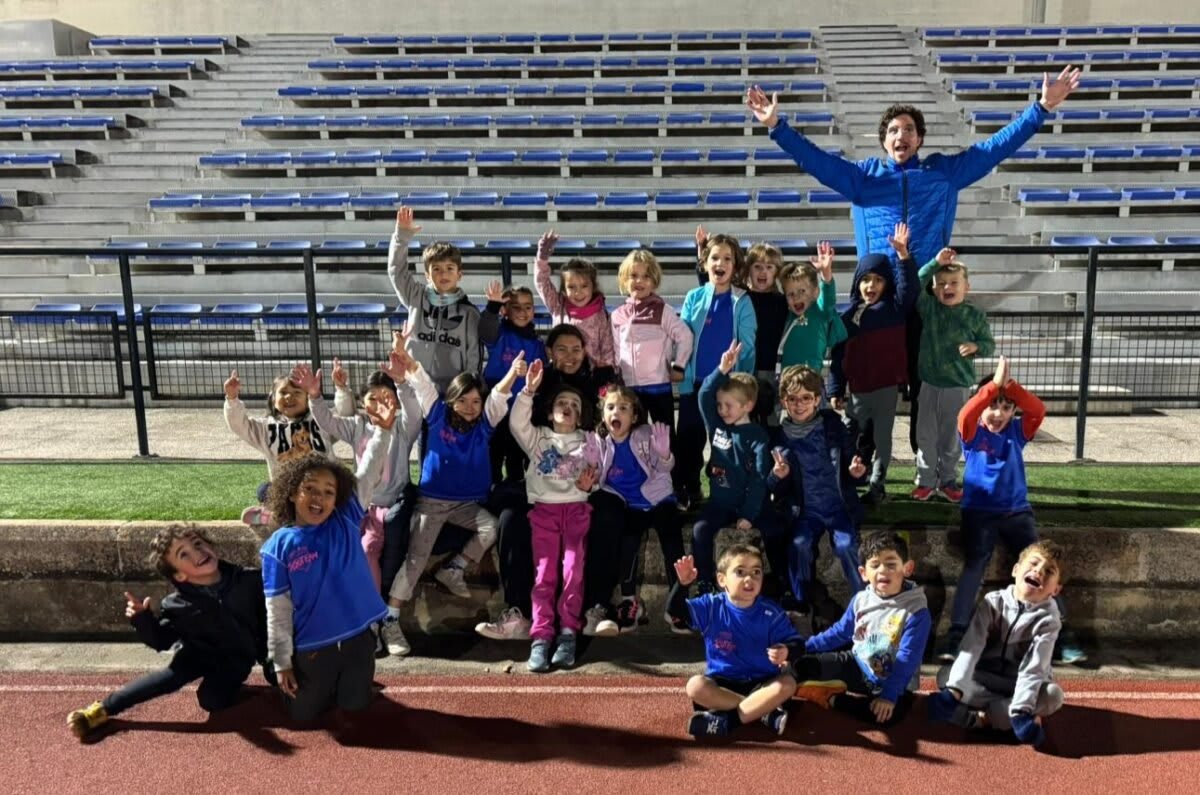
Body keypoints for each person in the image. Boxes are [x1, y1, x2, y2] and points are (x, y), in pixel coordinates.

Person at [747, 66, 1080, 466]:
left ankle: (930, 466)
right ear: (883, 139)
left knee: (928, 388)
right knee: (868, 388)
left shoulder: (942, 173)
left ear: (919, 138)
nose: (900, 136)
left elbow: (994, 149)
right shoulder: (862, 178)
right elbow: (815, 161)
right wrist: (776, 125)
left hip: (925, 298)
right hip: (877, 301)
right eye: (893, 130)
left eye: (908, 129)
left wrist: (1041, 107)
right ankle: (863, 467)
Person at [259, 373, 397, 722]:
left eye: (328, 491)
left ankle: (350, 680)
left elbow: (366, 473)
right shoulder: (279, 546)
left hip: (356, 641)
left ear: (339, 499)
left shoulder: (347, 520)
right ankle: (272, 667)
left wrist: (382, 431)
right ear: (292, 492)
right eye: (310, 489)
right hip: (313, 649)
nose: (319, 497)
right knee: (302, 717)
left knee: (356, 706)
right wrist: (282, 662)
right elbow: (277, 609)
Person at [937, 356, 1082, 663]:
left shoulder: (1017, 432)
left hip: (1017, 513)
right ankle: (956, 633)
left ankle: (1062, 635)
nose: (998, 413)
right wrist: (993, 386)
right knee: (975, 564)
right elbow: (967, 412)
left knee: (1043, 566)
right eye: (993, 405)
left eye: (1006, 407)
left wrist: (1009, 386)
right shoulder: (972, 433)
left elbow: (1038, 410)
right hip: (979, 512)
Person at [379, 352, 526, 656]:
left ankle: (454, 568)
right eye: (463, 401)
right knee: (416, 560)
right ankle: (390, 620)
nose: (470, 408)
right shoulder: (437, 416)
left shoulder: (485, 425)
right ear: (451, 400)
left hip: (466, 505)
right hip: (432, 503)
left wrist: (512, 374)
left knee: (490, 528)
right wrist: (411, 361)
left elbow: (498, 398)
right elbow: (423, 386)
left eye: (476, 401)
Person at [66, 527, 271, 741]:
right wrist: (142, 620)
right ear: (179, 575)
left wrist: (269, 656)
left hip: (235, 658)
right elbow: (161, 641)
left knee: (211, 701)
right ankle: (101, 710)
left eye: (198, 544)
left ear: (210, 546)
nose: (197, 553)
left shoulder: (250, 580)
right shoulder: (175, 605)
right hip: (196, 654)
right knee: (168, 678)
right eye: (184, 554)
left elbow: (272, 619)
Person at [300, 342, 422, 594]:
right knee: (342, 548)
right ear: (362, 402)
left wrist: (401, 383)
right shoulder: (357, 426)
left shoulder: (401, 428)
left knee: (369, 549)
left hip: (388, 505)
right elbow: (326, 420)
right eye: (372, 398)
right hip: (359, 504)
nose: (379, 404)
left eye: (386, 398)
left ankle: (375, 606)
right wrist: (314, 396)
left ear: (396, 403)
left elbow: (414, 412)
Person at [777, 531, 930, 727]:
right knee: (800, 666)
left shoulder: (916, 611)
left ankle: (832, 698)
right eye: (875, 565)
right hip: (858, 664)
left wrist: (889, 696)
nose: (883, 571)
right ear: (863, 573)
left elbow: (907, 658)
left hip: (895, 680)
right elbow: (840, 632)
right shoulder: (861, 600)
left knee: (888, 716)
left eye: (891, 564)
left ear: (907, 568)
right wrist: (800, 647)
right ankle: (792, 692)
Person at [929, 541, 1067, 748]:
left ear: (1055, 589)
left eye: (1049, 571)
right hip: (985, 679)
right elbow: (970, 650)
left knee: (1052, 696)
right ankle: (1004, 718)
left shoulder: (1050, 620)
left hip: (1017, 683)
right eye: (1034, 564)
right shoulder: (992, 603)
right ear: (1016, 570)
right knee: (946, 676)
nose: (1038, 571)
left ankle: (981, 719)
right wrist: (954, 692)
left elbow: (1034, 668)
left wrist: (1020, 711)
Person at [509, 359, 600, 671]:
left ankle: (567, 634)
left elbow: (597, 473)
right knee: (545, 575)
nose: (567, 407)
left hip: (576, 511)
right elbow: (516, 423)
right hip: (544, 513)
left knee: (573, 571)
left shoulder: (588, 441)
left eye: (574, 404)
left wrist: (592, 482)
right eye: (561, 402)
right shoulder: (538, 438)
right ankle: (541, 637)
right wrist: (528, 390)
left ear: (581, 415)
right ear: (549, 411)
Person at [827, 223, 919, 506]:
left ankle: (878, 484)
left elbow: (909, 289)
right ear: (857, 282)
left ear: (887, 284)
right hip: (856, 390)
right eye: (865, 279)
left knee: (882, 439)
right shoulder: (847, 317)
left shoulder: (893, 309)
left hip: (885, 389)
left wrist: (903, 256)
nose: (871, 286)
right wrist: (835, 389)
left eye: (878, 280)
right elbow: (838, 357)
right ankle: (850, 479)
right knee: (851, 436)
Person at [668, 544, 800, 738]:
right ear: (722, 579)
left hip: (762, 684)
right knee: (695, 686)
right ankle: (763, 712)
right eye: (740, 572)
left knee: (787, 684)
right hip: (723, 685)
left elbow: (797, 644)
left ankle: (728, 722)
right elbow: (675, 612)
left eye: (756, 572)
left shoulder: (772, 612)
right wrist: (682, 585)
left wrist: (786, 650)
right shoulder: (711, 606)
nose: (749, 578)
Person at [768, 365, 868, 613]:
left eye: (805, 398)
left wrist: (856, 473)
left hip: (837, 505)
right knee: (799, 543)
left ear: (817, 400)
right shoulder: (779, 438)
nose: (799, 404)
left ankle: (867, 602)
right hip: (805, 510)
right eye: (792, 399)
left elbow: (851, 464)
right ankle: (800, 599)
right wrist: (777, 476)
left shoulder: (833, 427)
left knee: (846, 546)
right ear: (783, 402)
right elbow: (772, 485)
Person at [587, 385, 684, 634]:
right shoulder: (600, 443)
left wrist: (664, 455)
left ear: (634, 416)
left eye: (623, 408)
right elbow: (594, 476)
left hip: (659, 499)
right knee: (628, 543)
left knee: (672, 540)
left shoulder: (645, 435)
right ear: (603, 414)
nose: (615, 412)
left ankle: (678, 604)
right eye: (610, 407)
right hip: (630, 505)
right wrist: (587, 466)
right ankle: (630, 602)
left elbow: (664, 468)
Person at [675, 232, 757, 509]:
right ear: (704, 263)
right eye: (714, 258)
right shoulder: (693, 296)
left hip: (727, 386)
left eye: (727, 258)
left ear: (735, 266)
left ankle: (733, 492)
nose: (720, 263)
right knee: (689, 439)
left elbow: (748, 343)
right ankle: (689, 487)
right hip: (695, 383)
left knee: (726, 443)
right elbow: (683, 336)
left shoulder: (742, 301)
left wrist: (740, 376)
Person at [691, 341, 778, 592]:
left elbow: (759, 478)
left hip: (751, 504)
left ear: (747, 406)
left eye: (728, 405)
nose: (721, 410)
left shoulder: (758, 436)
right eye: (720, 405)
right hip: (720, 503)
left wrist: (749, 515)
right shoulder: (718, 427)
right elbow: (704, 396)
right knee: (700, 530)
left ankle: (781, 586)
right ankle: (705, 582)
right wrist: (721, 370)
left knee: (776, 530)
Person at [912, 246, 995, 502]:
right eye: (941, 283)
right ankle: (925, 481)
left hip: (958, 386)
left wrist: (976, 347)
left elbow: (989, 344)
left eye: (954, 283)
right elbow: (917, 282)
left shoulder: (974, 315)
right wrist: (935, 262)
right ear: (935, 289)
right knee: (925, 434)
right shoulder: (930, 309)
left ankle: (948, 480)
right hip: (928, 383)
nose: (947, 287)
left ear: (966, 287)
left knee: (951, 437)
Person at [223, 368, 346, 526]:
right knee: (265, 490)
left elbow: (345, 417)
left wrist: (342, 389)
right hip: (290, 493)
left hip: (323, 488)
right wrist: (232, 399)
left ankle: (275, 515)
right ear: (273, 398)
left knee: (343, 491)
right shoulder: (266, 428)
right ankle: (271, 516)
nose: (289, 397)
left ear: (308, 397)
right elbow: (240, 425)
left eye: (297, 392)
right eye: (283, 392)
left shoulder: (321, 420)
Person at [697, 227, 787, 427]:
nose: (763, 271)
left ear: (777, 272)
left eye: (769, 267)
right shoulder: (740, 295)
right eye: (757, 266)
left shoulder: (781, 302)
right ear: (748, 270)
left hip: (768, 369)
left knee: (767, 418)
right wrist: (702, 257)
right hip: (741, 367)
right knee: (738, 418)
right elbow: (712, 287)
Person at [387, 206, 481, 395]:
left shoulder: (469, 312)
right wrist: (401, 237)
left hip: (451, 394)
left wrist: (467, 391)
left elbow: (473, 356)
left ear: (459, 274)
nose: (443, 274)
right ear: (427, 275)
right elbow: (396, 271)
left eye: (449, 268)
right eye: (436, 269)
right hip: (414, 387)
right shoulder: (416, 295)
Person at [610, 248, 692, 431]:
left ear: (654, 282)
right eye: (633, 275)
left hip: (658, 387)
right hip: (629, 389)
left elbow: (685, 336)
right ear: (624, 279)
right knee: (633, 436)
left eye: (646, 276)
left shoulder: (663, 311)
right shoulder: (617, 315)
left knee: (664, 436)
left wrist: (679, 366)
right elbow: (615, 348)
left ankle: (668, 461)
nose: (639, 281)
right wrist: (616, 374)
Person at [480, 281, 548, 485]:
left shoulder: (537, 343)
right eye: (516, 307)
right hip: (496, 409)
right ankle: (490, 497)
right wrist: (492, 306)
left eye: (528, 306)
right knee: (493, 456)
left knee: (516, 460)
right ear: (505, 310)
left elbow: (542, 376)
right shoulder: (500, 333)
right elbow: (486, 331)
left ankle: (515, 497)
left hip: (519, 413)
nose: (522, 312)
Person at [533, 230, 616, 384]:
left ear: (593, 286)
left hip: (590, 378)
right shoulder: (558, 306)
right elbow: (542, 284)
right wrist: (542, 259)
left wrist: (605, 372)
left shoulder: (601, 314)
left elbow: (607, 347)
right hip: (561, 373)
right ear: (564, 290)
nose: (578, 292)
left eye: (584, 286)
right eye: (572, 287)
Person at [777, 241, 848, 374]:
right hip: (787, 381)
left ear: (815, 292)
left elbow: (828, 299)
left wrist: (826, 273)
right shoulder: (786, 316)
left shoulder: (819, 312)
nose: (796, 297)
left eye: (802, 291)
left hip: (811, 381)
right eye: (790, 294)